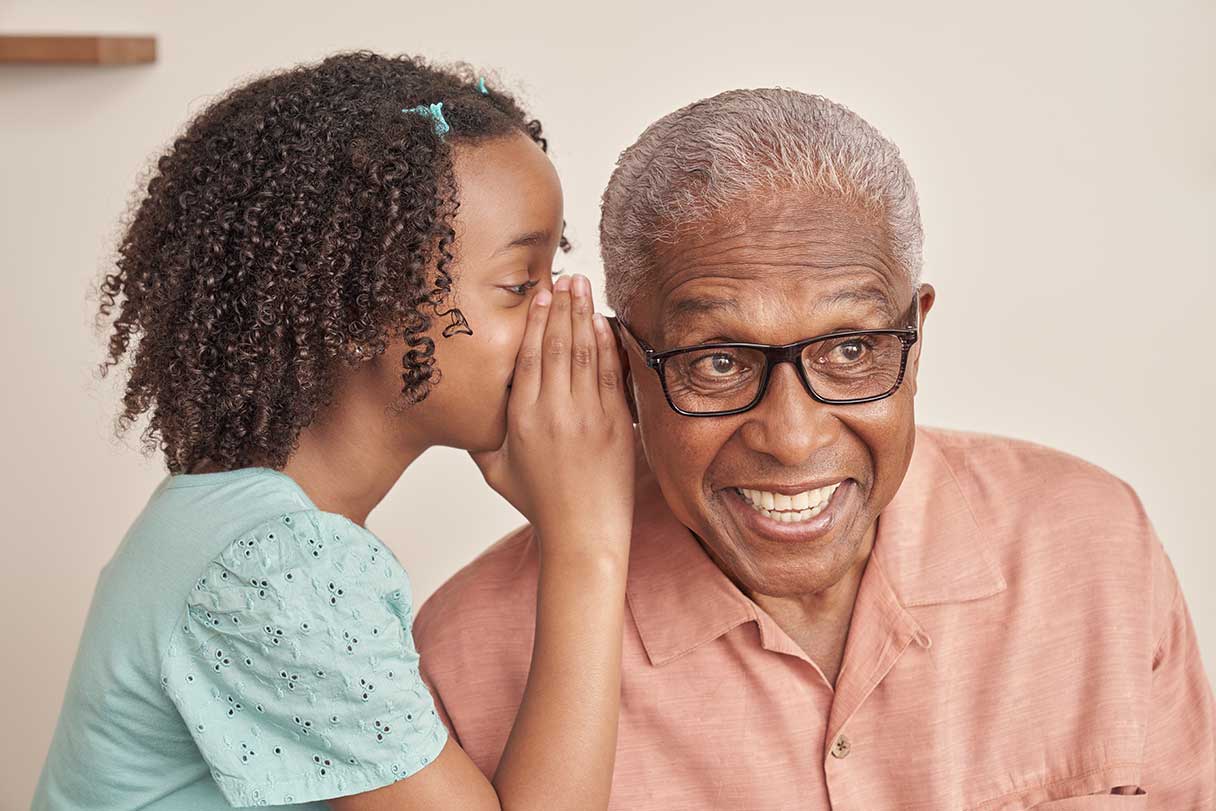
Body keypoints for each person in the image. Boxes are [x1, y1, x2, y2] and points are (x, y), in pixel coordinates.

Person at [414, 88, 1216, 809]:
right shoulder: (468, 656)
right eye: (718, 363)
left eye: (852, 349)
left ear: (917, 336)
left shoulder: (1095, 544)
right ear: (625, 369)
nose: (793, 439)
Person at [34, 52, 635, 810]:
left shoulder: (234, 518)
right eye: (521, 285)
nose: (562, 313)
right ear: (359, 313)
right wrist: (587, 538)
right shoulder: (275, 565)